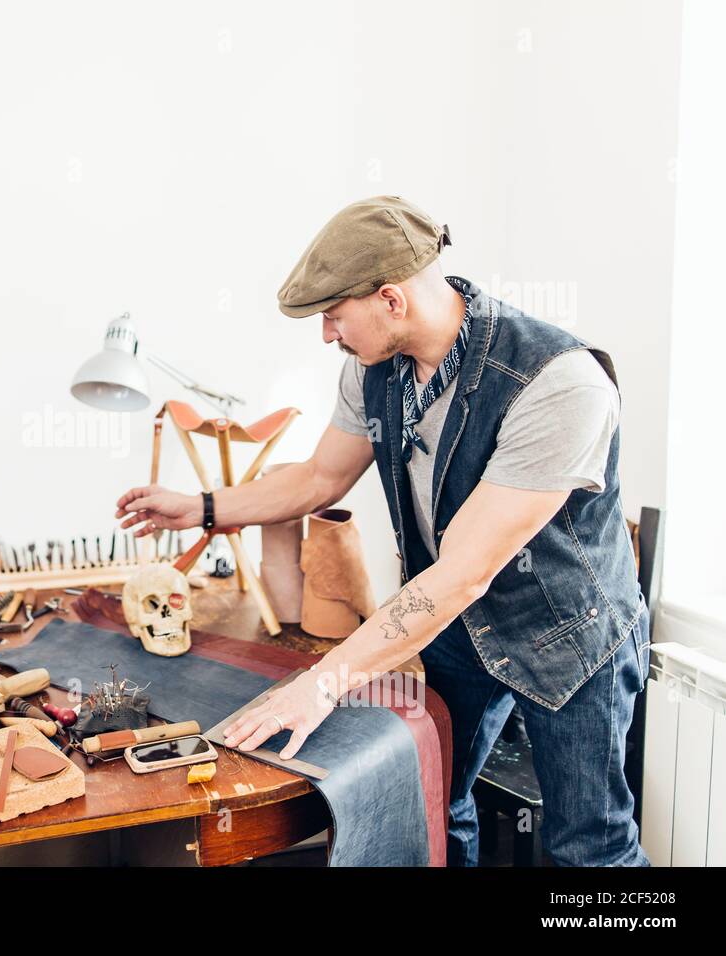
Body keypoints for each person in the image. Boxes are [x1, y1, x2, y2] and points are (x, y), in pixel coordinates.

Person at [114, 196, 650, 866]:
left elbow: (464, 572)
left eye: (334, 316)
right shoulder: (374, 372)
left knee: (589, 848)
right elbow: (318, 479)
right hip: (459, 626)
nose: (327, 334)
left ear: (392, 300)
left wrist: (322, 682)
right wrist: (201, 506)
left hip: (569, 633)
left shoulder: (559, 383)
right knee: (433, 802)